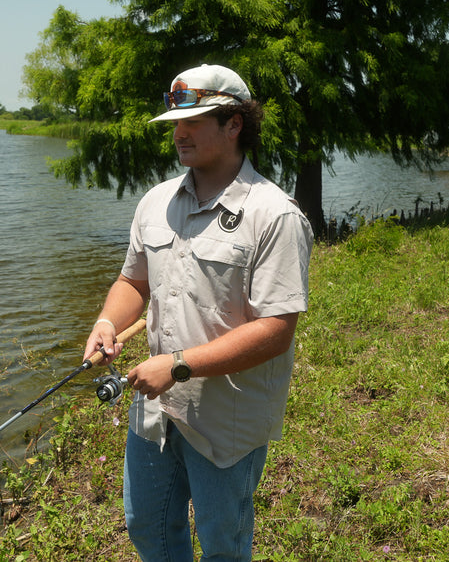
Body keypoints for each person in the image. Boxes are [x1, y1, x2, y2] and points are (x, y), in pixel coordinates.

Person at [82, 63, 314, 561]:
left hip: (226, 420)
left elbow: (276, 330)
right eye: (174, 123)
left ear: (234, 125)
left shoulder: (274, 215)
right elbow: (133, 281)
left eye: (193, 121)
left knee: (223, 544)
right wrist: (107, 323)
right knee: (148, 527)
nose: (179, 133)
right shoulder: (155, 202)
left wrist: (178, 365)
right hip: (154, 412)